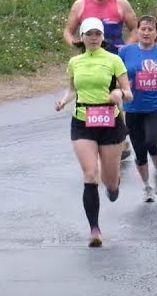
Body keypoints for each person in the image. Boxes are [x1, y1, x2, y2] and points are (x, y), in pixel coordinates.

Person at [55, 17, 132, 247]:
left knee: (110, 183)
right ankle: (95, 230)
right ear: (82, 37)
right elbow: (72, 89)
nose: (93, 38)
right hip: (83, 121)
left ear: (103, 37)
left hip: (110, 122)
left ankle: (113, 186)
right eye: (89, 34)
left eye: (97, 34)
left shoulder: (114, 60)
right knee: (90, 174)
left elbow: (128, 92)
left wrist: (119, 94)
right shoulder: (75, 62)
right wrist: (63, 100)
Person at [118, 16, 157, 200]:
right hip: (133, 107)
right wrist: (122, 87)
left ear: (156, 33)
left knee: (151, 142)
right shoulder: (126, 51)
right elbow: (116, 74)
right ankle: (147, 186)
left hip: (155, 105)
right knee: (139, 151)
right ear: (137, 31)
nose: (146, 33)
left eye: (150, 29)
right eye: (143, 29)